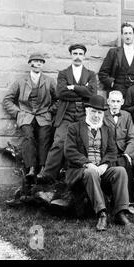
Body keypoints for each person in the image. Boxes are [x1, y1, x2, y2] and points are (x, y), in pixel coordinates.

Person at [64, 95, 132, 231]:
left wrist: (105, 165)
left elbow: (112, 151)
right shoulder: (74, 128)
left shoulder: (107, 129)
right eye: (93, 111)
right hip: (81, 172)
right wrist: (88, 163)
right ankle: (102, 213)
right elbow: (69, 151)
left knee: (120, 171)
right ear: (87, 111)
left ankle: (120, 212)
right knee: (91, 172)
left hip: (101, 169)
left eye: (99, 112)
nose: (96, 115)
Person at [37, 44, 97, 184]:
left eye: (80, 53)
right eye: (74, 53)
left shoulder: (90, 74)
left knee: (83, 143)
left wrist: (74, 87)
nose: (77, 56)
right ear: (71, 55)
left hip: (84, 112)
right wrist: (83, 90)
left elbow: (92, 93)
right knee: (59, 141)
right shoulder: (63, 73)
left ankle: (80, 176)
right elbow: (60, 93)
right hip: (66, 112)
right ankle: (48, 176)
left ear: (84, 56)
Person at [3, 53, 57, 180]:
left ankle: (43, 168)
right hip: (26, 115)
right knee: (28, 137)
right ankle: (31, 168)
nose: (37, 64)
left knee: (45, 138)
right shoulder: (21, 81)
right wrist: (18, 113)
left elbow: (59, 99)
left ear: (43, 65)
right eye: (35, 61)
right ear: (30, 64)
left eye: (40, 62)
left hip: (43, 116)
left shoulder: (49, 81)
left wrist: (50, 110)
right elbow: (7, 100)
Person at [104, 90, 134, 200]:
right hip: (108, 153)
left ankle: (127, 200)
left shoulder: (127, 116)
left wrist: (128, 154)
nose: (115, 104)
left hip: (123, 152)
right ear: (108, 101)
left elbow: (133, 138)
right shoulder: (103, 115)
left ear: (122, 102)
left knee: (126, 164)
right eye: (112, 101)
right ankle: (111, 197)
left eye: (118, 101)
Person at [98, 22, 134, 96]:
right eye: (125, 33)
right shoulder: (113, 52)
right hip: (117, 93)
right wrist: (112, 84)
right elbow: (102, 73)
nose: (128, 36)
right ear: (122, 35)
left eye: (130, 33)